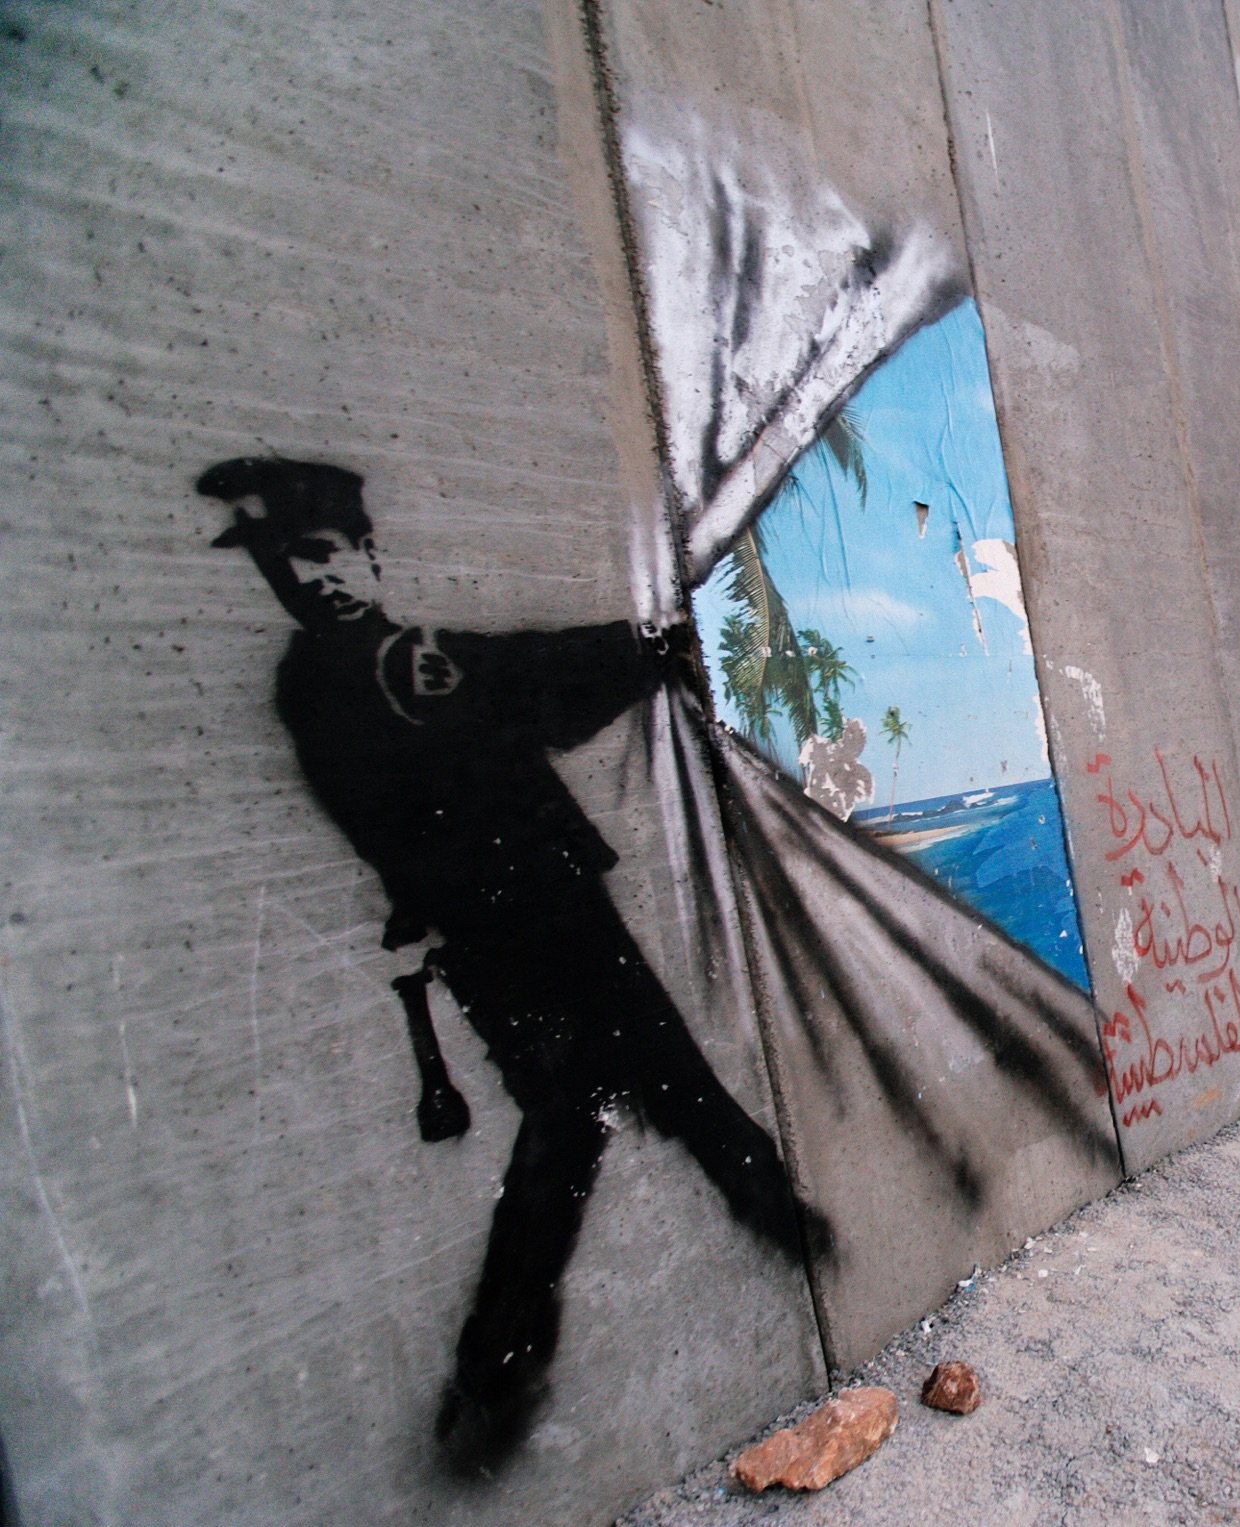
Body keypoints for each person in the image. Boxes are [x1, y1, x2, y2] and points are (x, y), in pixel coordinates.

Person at [198, 457, 812, 1476]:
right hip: (540, 924)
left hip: (494, 938)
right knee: (655, 1093)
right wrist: (644, 649)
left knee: (577, 1124)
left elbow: (496, 688)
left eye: (317, 553)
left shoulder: (335, 673)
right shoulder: (373, 668)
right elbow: (517, 684)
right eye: (286, 563)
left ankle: (499, 1375)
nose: (307, 578)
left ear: (363, 550)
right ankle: (785, 1237)